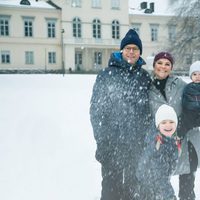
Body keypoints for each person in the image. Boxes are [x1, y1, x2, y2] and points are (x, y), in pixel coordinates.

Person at [90, 29, 151, 200]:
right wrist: (103, 142)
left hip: (136, 147)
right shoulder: (106, 75)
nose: (131, 52)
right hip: (112, 146)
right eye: (128, 48)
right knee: (111, 191)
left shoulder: (145, 77)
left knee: (134, 191)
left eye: (135, 49)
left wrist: (146, 142)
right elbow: (97, 112)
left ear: (140, 53)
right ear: (122, 50)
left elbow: (149, 112)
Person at [148, 52, 200, 200]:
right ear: (154, 65)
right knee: (161, 185)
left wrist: (182, 126)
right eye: (160, 63)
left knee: (187, 186)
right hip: (162, 143)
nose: (163, 67)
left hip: (186, 141)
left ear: (171, 68)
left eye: (167, 64)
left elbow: (196, 111)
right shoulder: (148, 89)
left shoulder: (182, 86)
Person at [136, 104, 181, 200]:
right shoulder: (157, 144)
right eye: (164, 122)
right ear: (158, 125)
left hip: (156, 186)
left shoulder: (172, 139)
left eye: (171, 122)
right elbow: (159, 176)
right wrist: (170, 196)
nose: (168, 125)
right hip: (149, 188)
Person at [177, 61, 200, 200]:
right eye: (195, 74)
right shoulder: (187, 89)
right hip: (188, 131)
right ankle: (186, 196)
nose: (197, 77)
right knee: (188, 168)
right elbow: (185, 108)